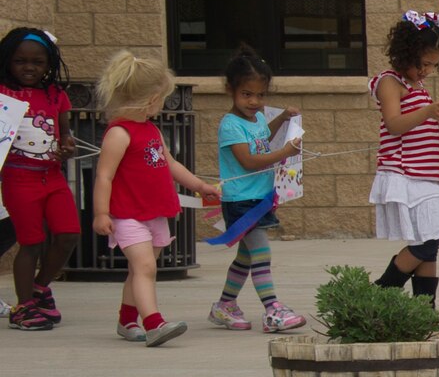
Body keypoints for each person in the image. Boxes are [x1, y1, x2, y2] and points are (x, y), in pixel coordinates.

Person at [91, 52, 221, 346]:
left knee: (141, 269)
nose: (161, 103)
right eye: (161, 97)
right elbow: (104, 177)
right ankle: (154, 323)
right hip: (128, 214)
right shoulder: (119, 134)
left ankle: (127, 320)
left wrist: (200, 185)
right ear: (150, 99)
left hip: (154, 213)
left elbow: (171, 164)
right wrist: (101, 213)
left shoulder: (151, 130)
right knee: (145, 267)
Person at [370, 11, 439, 331]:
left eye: (433, 65)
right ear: (405, 52)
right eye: (423, 63)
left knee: (431, 241)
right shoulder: (390, 82)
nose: (427, 70)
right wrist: (429, 110)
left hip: (427, 174)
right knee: (427, 242)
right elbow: (395, 124)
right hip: (405, 174)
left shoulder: (418, 85)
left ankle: (424, 312)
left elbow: (428, 126)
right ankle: (382, 292)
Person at [207, 46, 307, 333]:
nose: (254, 101)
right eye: (246, 94)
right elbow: (249, 161)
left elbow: (263, 138)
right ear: (231, 90)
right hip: (240, 201)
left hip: (259, 199)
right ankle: (273, 308)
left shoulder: (258, 119)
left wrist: (283, 119)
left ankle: (225, 305)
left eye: (260, 95)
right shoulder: (230, 126)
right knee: (261, 252)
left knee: (246, 257)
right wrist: (285, 151)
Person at [1, 27, 76, 332]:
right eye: (20, 61)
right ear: (7, 61)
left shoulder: (56, 95)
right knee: (31, 242)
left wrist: (68, 146)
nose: (29, 68)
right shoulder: (3, 94)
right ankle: (23, 307)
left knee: (69, 234)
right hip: (18, 180)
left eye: (37, 62)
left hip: (53, 178)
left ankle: (40, 289)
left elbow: (66, 133)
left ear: (49, 65)